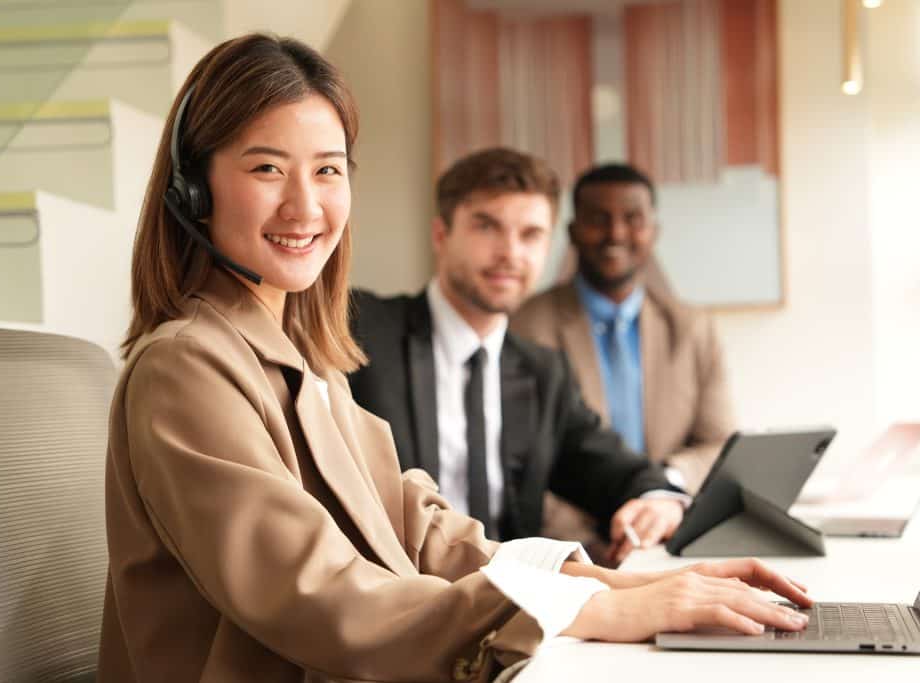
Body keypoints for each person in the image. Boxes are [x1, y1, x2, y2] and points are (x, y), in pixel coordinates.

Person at [98, 34, 811, 683]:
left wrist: (637, 589)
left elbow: (423, 529)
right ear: (192, 192)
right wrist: (589, 611)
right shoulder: (186, 366)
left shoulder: (307, 362)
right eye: (266, 167)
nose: (305, 205)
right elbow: (318, 593)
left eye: (327, 170)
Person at [350, 148, 685, 564]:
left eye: (530, 235)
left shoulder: (544, 373)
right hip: (388, 597)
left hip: (508, 607)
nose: (510, 253)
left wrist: (660, 501)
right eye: (488, 227)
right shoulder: (362, 331)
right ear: (441, 235)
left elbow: (614, 470)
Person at [512, 164, 735, 496]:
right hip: (567, 538)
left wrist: (660, 489)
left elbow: (719, 445)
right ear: (573, 232)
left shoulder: (693, 329)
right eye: (598, 219)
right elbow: (520, 460)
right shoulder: (526, 326)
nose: (616, 233)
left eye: (633, 218)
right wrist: (580, 541)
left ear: (654, 231)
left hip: (669, 525)